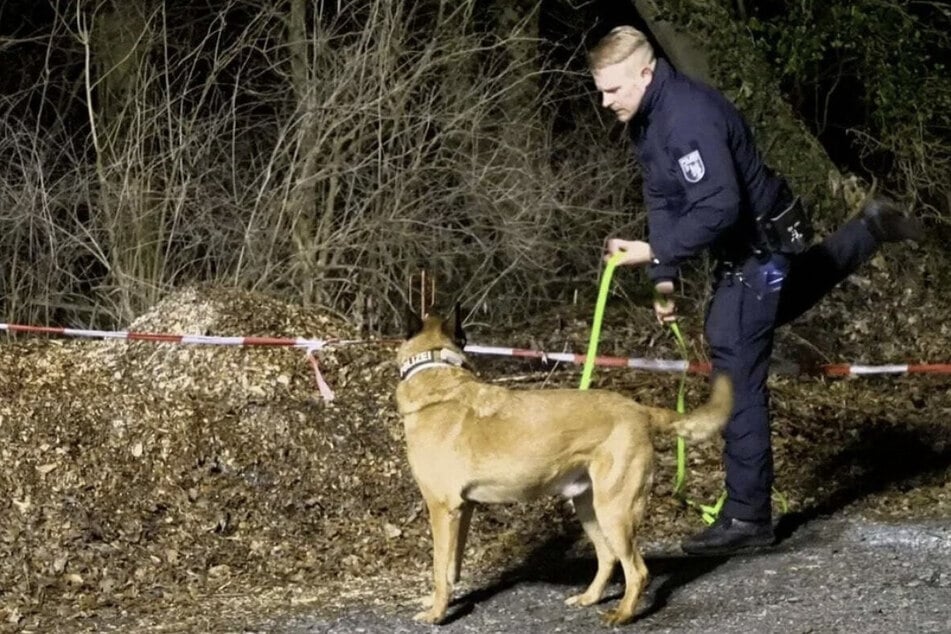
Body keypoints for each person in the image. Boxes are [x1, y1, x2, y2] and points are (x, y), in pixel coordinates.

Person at [588, 25, 924, 556]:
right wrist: (664, 274)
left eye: (612, 89)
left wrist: (652, 250)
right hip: (748, 249)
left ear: (645, 73)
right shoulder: (647, 121)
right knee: (760, 315)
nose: (605, 101)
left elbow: (719, 206)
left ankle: (748, 517)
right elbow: (663, 198)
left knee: (734, 349)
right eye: (601, 91)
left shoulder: (688, 118)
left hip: (765, 247)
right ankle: (869, 229)